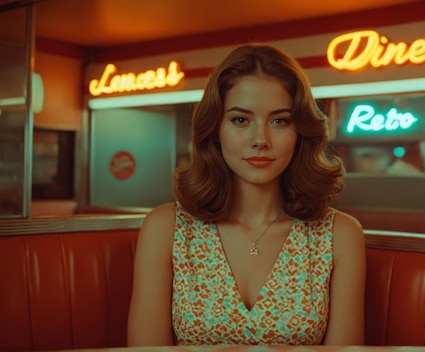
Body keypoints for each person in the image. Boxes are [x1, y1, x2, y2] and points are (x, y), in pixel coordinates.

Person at [127, 43, 366, 346]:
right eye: (241, 120)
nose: (260, 140)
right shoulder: (166, 228)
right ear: (215, 128)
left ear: (301, 131)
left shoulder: (339, 235)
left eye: (280, 121)